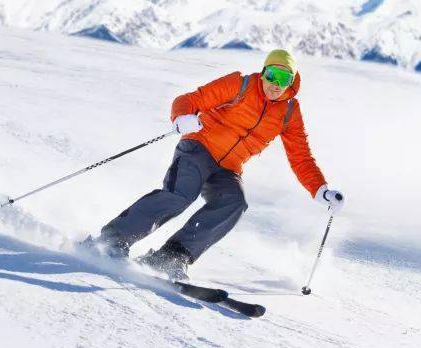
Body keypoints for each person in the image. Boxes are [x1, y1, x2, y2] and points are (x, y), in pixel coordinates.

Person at [84, 49, 344, 281]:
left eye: (284, 79)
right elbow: (190, 100)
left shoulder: (289, 113)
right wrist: (182, 117)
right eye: (272, 75)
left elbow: (301, 156)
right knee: (181, 195)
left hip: (228, 167)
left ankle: (172, 256)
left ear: (292, 83)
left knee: (234, 203)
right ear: (264, 72)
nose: (276, 85)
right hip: (198, 148)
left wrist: (320, 189)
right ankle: (112, 239)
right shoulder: (240, 85)